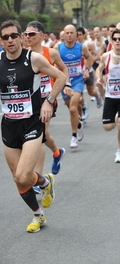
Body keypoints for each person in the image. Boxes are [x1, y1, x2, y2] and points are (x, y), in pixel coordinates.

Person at [0, 20, 67, 232]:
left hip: (32, 123)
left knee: (23, 175)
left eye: (13, 36)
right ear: (1, 41)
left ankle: (44, 185)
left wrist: (49, 100)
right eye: (5, 37)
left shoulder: (34, 59)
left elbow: (61, 76)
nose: (10, 40)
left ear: (21, 37)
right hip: (9, 125)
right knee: (19, 180)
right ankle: (39, 212)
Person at [24, 21, 69, 177]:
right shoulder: (24, 54)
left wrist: (67, 84)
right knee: (44, 135)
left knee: (40, 135)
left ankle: (38, 177)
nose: (27, 37)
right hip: (30, 101)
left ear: (41, 35)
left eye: (31, 34)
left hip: (48, 98)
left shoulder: (51, 53)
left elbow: (63, 69)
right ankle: (57, 153)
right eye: (26, 34)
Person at [96, 29, 120, 163]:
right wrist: (99, 78)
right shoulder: (106, 56)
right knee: (108, 127)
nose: (117, 41)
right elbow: (99, 69)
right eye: (115, 39)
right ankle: (117, 118)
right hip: (110, 95)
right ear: (111, 41)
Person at [54, 24, 94, 148]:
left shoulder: (81, 47)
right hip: (64, 82)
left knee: (73, 108)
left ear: (76, 34)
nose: (70, 35)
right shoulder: (58, 48)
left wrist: (86, 69)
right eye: (67, 33)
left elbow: (89, 58)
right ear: (64, 35)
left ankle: (74, 136)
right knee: (71, 109)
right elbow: (52, 63)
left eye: (72, 33)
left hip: (77, 80)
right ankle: (79, 124)